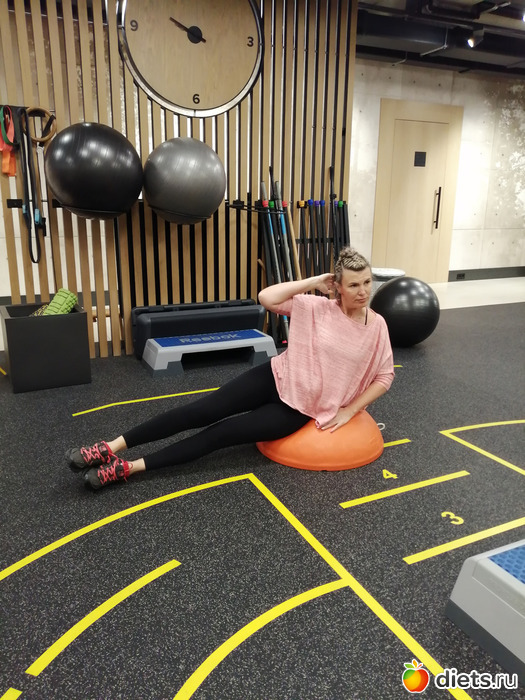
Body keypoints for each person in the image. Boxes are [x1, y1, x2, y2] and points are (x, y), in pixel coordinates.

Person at [67, 248, 394, 489]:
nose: (363, 291)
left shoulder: (376, 326)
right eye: (354, 285)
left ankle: (128, 467)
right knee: (199, 411)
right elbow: (266, 297)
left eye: (367, 282)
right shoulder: (316, 307)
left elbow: (384, 376)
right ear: (338, 286)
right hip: (273, 377)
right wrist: (312, 281)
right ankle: (110, 447)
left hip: (298, 410)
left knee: (220, 435)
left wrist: (351, 409)